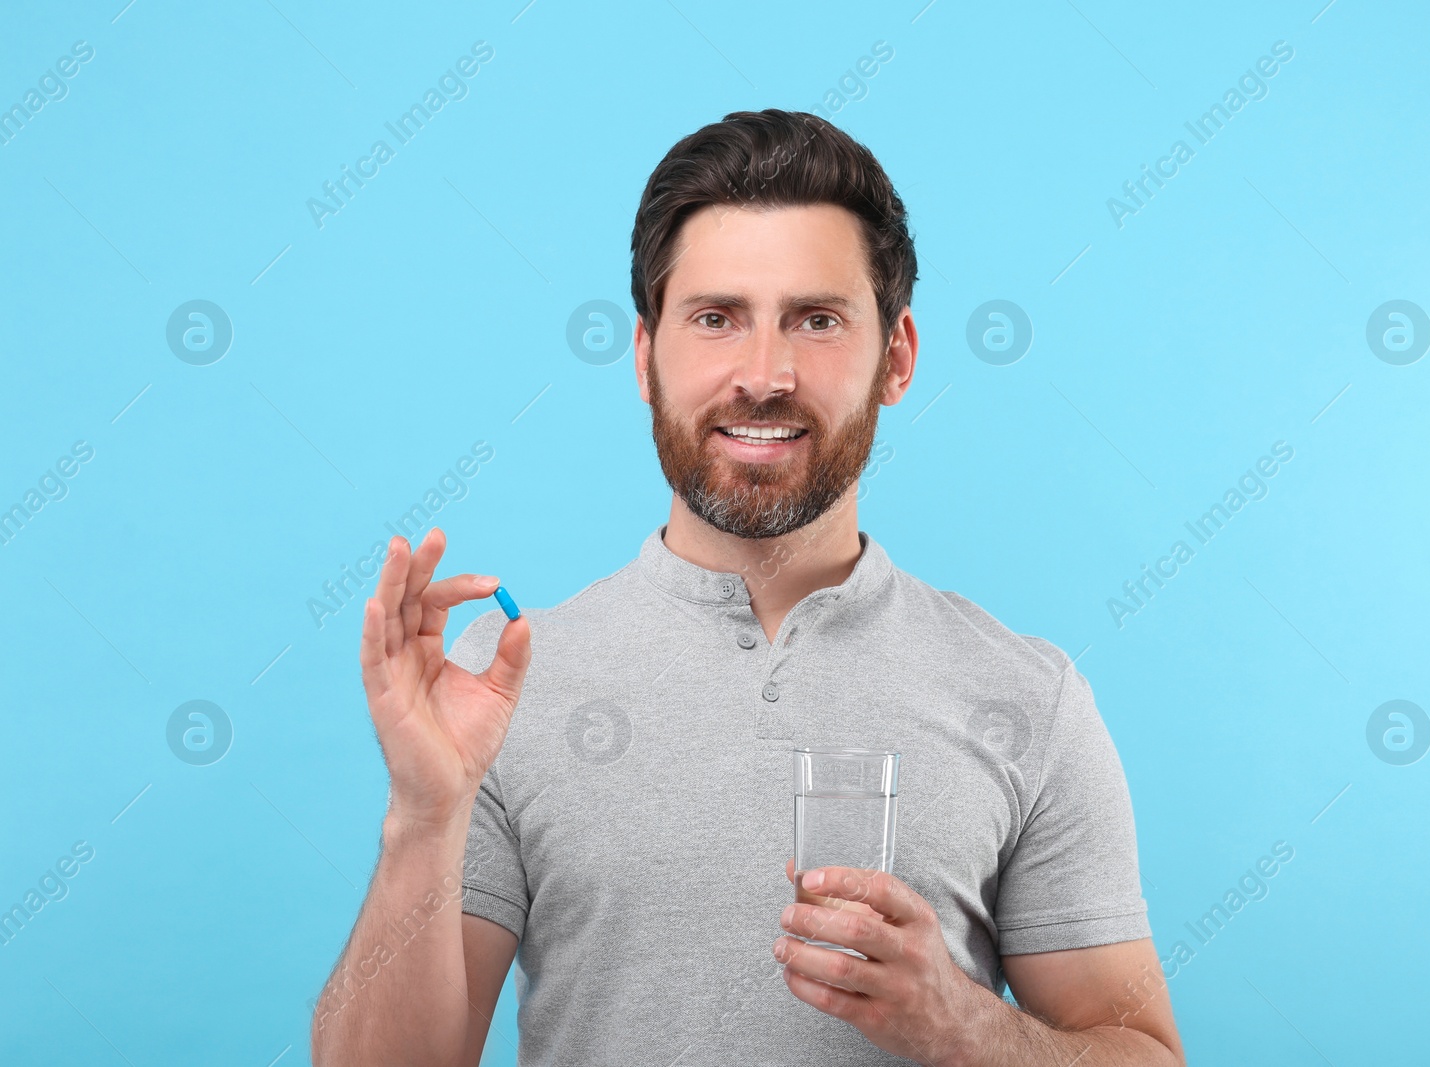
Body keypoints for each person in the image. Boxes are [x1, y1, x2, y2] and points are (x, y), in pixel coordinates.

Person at [311, 108, 1184, 1067]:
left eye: (816, 320)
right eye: (716, 318)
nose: (763, 376)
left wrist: (958, 1022)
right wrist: (424, 814)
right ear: (645, 357)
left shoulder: (1030, 697)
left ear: (896, 358)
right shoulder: (501, 685)